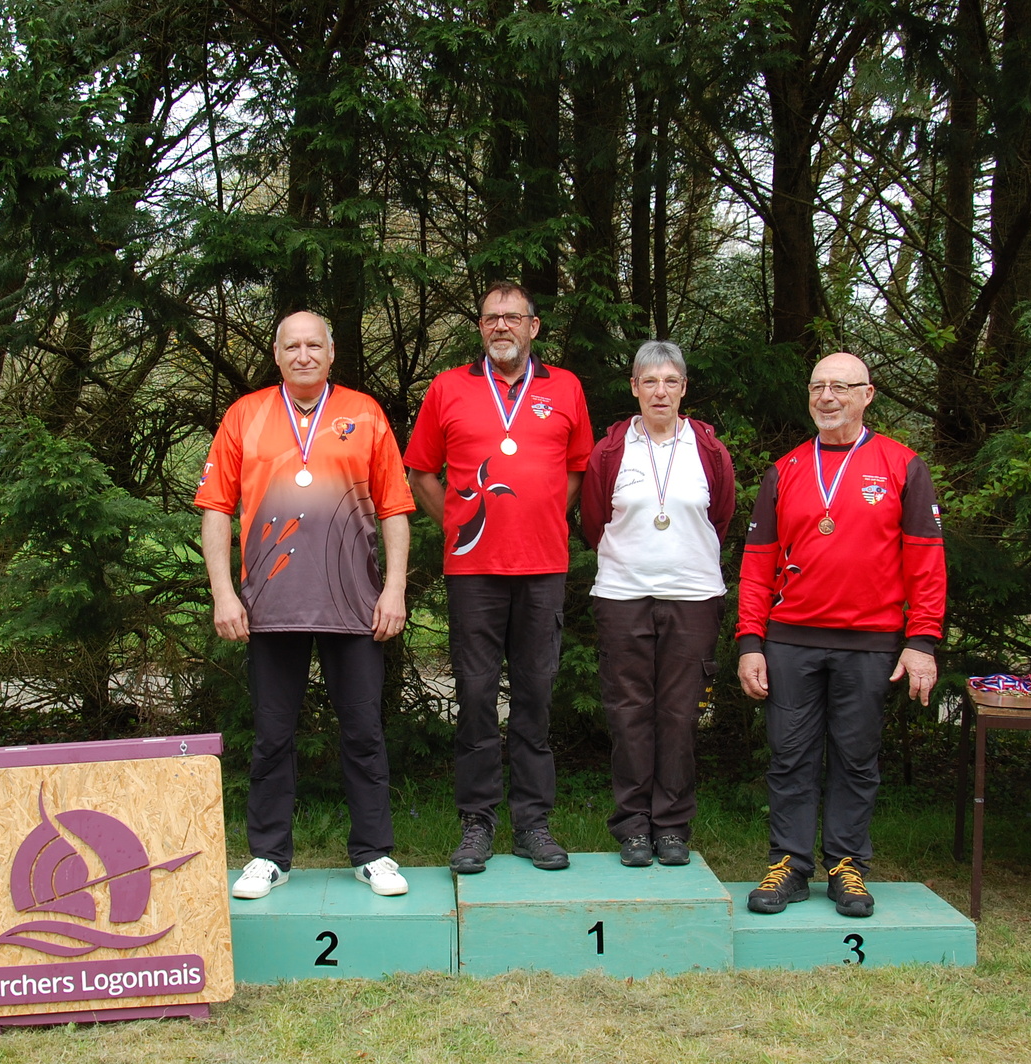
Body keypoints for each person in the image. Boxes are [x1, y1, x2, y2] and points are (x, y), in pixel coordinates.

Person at [196, 311, 414, 899]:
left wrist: (394, 588)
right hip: (269, 605)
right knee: (271, 736)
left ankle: (373, 854)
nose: (303, 355)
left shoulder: (365, 413)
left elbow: (395, 507)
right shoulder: (244, 415)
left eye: (313, 345)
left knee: (364, 732)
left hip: (355, 605)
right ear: (276, 354)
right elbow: (215, 508)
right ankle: (268, 856)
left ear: (331, 352)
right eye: (291, 346)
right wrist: (223, 593)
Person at [736, 351, 945, 917]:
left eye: (841, 387)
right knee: (789, 755)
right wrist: (750, 641)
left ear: (867, 395)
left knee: (856, 758)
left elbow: (926, 559)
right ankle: (789, 863)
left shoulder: (902, 465)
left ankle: (847, 865)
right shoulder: (785, 469)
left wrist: (922, 640)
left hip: (871, 640)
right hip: (790, 638)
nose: (827, 397)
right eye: (817, 387)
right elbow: (757, 564)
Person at [404, 281, 593, 873]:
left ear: (533, 326)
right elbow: (420, 473)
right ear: (480, 328)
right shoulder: (448, 388)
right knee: (476, 697)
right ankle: (477, 823)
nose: (501, 326)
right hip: (474, 571)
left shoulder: (565, 387)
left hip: (542, 569)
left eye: (513, 317)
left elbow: (578, 470)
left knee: (535, 698)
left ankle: (533, 823)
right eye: (491, 318)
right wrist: (460, 524)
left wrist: (544, 516)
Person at [580, 340, 735, 867]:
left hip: (693, 596)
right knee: (628, 715)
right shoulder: (610, 451)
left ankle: (671, 827)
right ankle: (633, 828)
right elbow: (595, 520)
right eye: (650, 381)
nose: (660, 392)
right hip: (623, 594)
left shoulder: (708, 450)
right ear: (634, 388)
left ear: (684, 388)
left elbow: (720, 517)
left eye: (670, 381)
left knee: (680, 715)